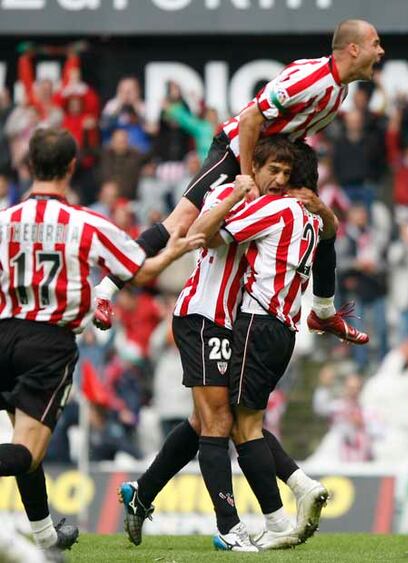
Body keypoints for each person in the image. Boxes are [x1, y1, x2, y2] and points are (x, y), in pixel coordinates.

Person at [93, 18, 383, 345]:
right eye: (375, 44)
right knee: (179, 223)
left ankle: (323, 311)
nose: (381, 51)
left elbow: (289, 135)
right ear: (353, 48)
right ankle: (104, 290)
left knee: (324, 222)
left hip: (273, 159)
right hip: (235, 151)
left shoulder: (338, 91)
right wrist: (249, 180)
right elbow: (249, 120)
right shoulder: (311, 80)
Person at [116, 136, 331, 552]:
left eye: (287, 174)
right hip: (202, 314)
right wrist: (234, 194)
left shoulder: (268, 208)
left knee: (204, 422)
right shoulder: (226, 191)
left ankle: (141, 493)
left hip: (228, 322)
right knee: (219, 422)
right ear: (254, 164)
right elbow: (198, 233)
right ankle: (231, 528)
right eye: (274, 170)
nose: (280, 180)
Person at [0, 128, 204, 556]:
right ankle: (41, 535)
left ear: (27, 166)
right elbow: (140, 271)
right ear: (73, 168)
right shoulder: (84, 223)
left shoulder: (4, 220)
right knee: (27, 453)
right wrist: (173, 250)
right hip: (48, 344)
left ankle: (43, 535)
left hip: (3, 332)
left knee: (23, 435)